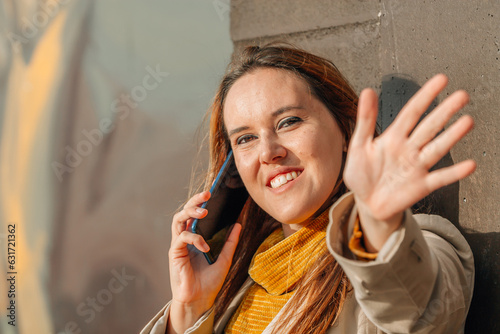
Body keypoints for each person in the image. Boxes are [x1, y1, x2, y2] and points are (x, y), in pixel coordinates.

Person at [141, 43, 475, 334]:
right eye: (245, 139)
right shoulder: (237, 277)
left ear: (345, 129)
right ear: (233, 169)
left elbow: (423, 315)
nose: (268, 151)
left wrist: (376, 225)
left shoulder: (415, 246)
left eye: (288, 122)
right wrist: (190, 309)